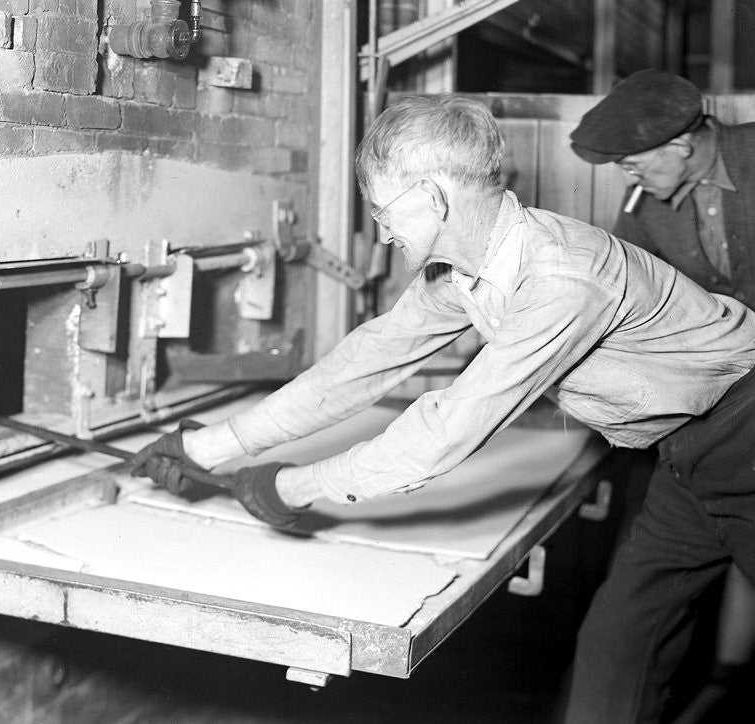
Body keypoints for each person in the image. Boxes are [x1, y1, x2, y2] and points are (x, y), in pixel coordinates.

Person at [132, 94, 755, 723]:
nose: (380, 230)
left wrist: (292, 486)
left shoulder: (563, 277)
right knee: (619, 652)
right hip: (687, 462)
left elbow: (447, 429)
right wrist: (208, 445)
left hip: (748, 439)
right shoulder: (467, 270)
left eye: (381, 210)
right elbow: (365, 363)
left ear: (430, 199)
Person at [572, 68, 755, 715]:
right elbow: (619, 304)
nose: (628, 173)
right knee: (622, 629)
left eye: (633, 159)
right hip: (704, 446)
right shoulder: (642, 211)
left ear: (684, 141)